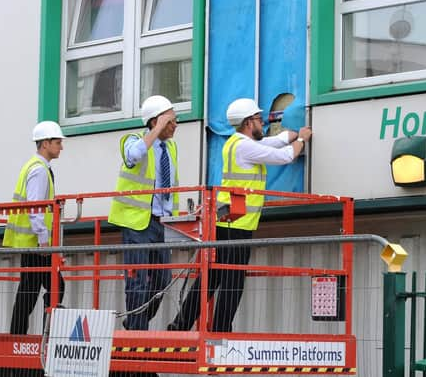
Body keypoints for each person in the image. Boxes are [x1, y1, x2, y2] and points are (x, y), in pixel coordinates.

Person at [168, 97, 311, 332]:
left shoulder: (235, 142)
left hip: (226, 222)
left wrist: (293, 134)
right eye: (258, 119)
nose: (262, 123)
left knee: (211, 278)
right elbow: (284, 156)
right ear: (247, 122)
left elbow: (272, 141)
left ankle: (180, 325)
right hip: (236, 224)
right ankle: (221, 328)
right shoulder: (245, 146)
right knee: (233, 280)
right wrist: (303, 139)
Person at [108, 95, 180, 330]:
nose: (175, 124)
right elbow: (134, 156)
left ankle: (135, 323)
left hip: (162, 222)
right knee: (137, 281)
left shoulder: (171, 147)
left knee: (162, 281)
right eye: (170, 120)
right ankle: (138, 335)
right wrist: (158, 126)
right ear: (154, 122)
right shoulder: (132, 140)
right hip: (137, 223)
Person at [4, 121, 66, 335]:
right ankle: (46, 336)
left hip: (32, 242)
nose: (61, 147)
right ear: (45, 144)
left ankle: (21, 336)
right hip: (37, 243)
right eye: (58, 142)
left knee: (29, 291)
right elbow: (35, 208)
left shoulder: (34, 166)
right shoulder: (39, 171)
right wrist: (44, 241)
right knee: (53, 287)